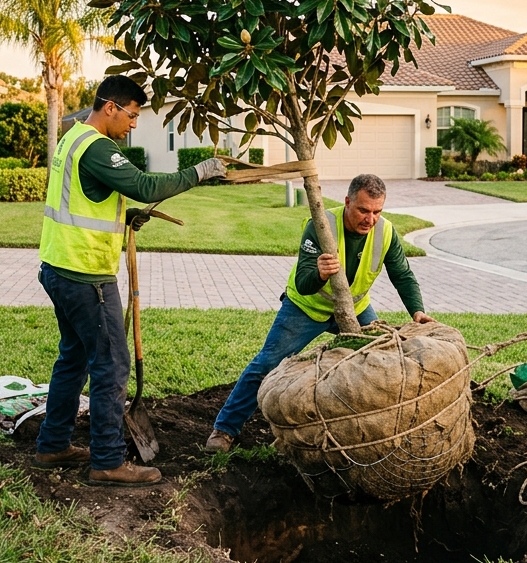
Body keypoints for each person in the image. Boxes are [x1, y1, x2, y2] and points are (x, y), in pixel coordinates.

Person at [33, 74, 227, 486]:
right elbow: (141, 184)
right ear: (110, 107)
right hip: (86, 276)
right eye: (132, 115)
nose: (134, 124)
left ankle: (52, 445)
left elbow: (88, 197)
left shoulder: (71, 138)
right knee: (111, 364)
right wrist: (200, 172)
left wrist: (124, 217)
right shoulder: (98, 147)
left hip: (59, 266)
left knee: (73, 359)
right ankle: (107, 460)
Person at [205, 173, 434, 452]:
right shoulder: (320, 225)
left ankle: (375, 434)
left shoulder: (385, 232)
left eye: (376, 212)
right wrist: (320, 274)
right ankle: (224, 429)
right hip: (306, 307)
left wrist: (417, 311)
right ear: (347, 201)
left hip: (353, 309)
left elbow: (403, 275)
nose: (370, 219)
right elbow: (303, 282)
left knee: (379, 363)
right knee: (266, 365)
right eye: (363, 210)